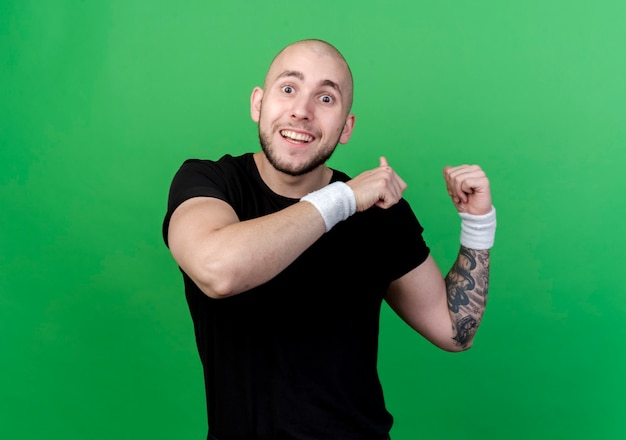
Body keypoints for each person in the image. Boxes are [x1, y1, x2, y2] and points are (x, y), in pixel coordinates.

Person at [162, 38, 496, 440]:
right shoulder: (210, 184)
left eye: (325, 98)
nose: (301, 111)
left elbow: (454, 330)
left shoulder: (379, 211)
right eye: (288, 89)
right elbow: (218, 270)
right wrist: (344, 198)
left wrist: (478, 224)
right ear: (257, 103)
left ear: (346, 127)